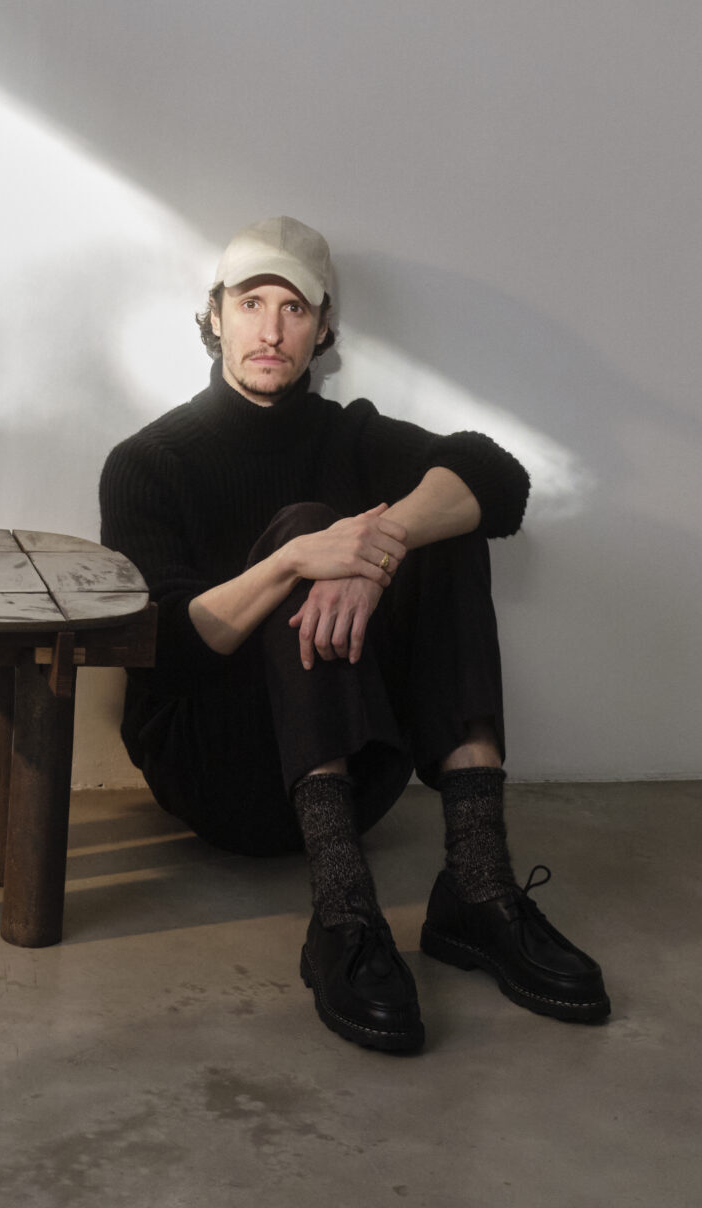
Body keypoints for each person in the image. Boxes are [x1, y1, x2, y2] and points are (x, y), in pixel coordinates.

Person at [99, 216, 608, 1052]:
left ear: (325, 326)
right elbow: (161, 647)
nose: (271, 329)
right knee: (310, 526)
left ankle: (477, 887)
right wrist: (297, 557)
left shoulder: (351, 436)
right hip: (215, 769)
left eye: (294, 308)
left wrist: (378, 548)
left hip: (354, 775)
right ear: (215, 315)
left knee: (442, 520)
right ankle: (342, 912)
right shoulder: (149, 462)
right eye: (252, 302)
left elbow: (500, 478)